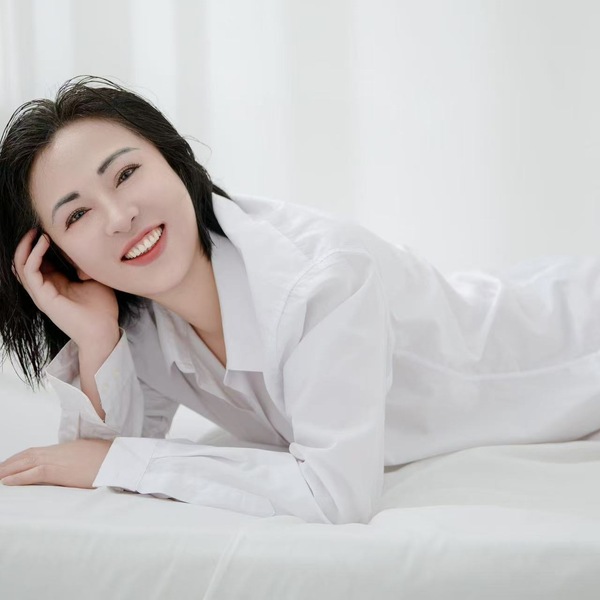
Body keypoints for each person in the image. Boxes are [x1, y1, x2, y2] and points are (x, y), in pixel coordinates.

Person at [1, 76, 599, 525]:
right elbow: (102, 457)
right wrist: (96, 340)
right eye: (76, 215)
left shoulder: (322, 279)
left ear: (176, 162)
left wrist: (115, 462)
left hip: (572, 337)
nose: (119, 215)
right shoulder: (141, 320)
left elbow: (335, 495)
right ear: (61, 257)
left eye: (126, 173)